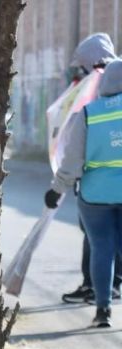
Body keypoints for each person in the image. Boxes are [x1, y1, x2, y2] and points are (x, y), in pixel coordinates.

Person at [47, 58, 122, 328]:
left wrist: (57, 189)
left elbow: (71, 160)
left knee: (102, 249)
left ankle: (103, 311)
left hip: (95, 196)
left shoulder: (89, 114)